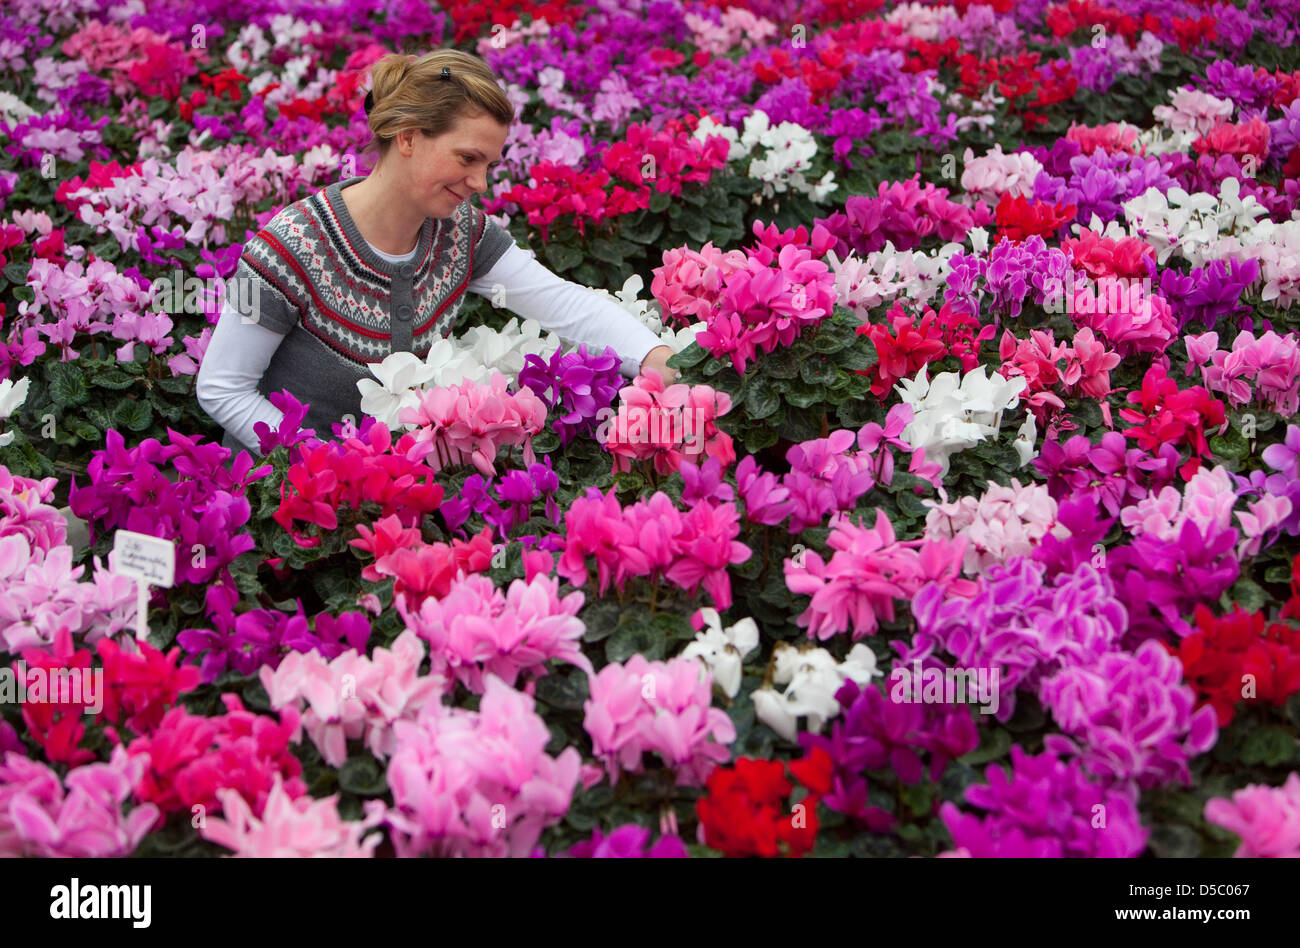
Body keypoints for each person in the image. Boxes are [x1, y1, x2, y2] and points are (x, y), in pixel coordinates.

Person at [196, 48, 677, 457]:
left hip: (391, 489)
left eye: (488, 164)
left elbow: (564, 303)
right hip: (281, 494)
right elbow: (223, 388)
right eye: (467, 158)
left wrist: (656, 357)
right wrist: (322, 466)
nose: (480, 182)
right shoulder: (293, 243)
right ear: (407, 137)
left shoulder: (461, 232)